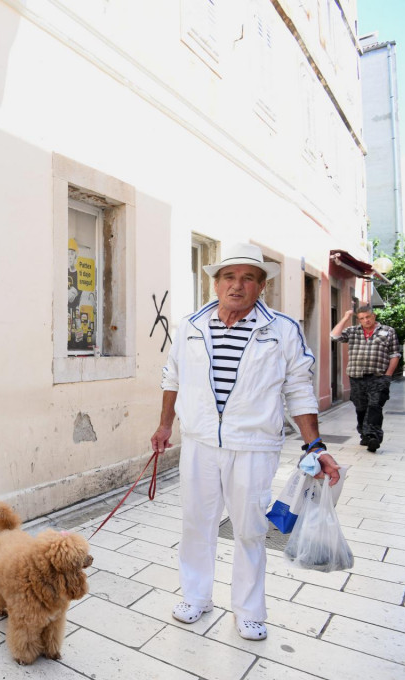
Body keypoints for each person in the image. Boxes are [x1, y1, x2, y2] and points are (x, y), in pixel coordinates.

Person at [151, 242, 340, 641]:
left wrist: (315, 446)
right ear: (216, 283)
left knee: (250, 529)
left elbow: (300, 391)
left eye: (248, 278)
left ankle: (249, 610)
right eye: (230, 277)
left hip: (255, 445)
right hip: (200, 442)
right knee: (196, 523)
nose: (237, 285)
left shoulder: (282, 331)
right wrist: (165, 426)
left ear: (261, 287)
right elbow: (172, 379)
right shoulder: (190, 326)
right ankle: (196, 596)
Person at [331, 305, 400, 452]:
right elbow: (334, 336)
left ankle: (373, 436)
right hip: (356, 377)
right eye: (362, 318)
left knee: (375, 406)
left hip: (378, 377)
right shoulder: (352, 331)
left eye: (368, 317)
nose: (366, 320)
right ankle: (364, 434)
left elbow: (394, 354)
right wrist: (345, 318)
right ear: (359, 320)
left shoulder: (388, 331)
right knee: (361, 408)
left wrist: (388, 375)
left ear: (373, 316)